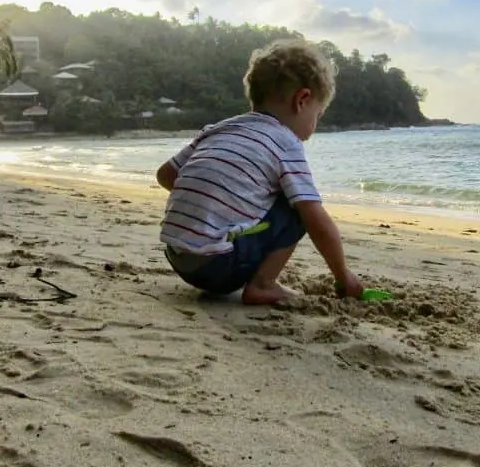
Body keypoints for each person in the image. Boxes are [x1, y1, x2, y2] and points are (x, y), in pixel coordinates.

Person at [155, 39, 364, 305]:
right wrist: (343, 277)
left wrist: (217, 200)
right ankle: (263, 285)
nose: (314, 126)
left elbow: (166, 175)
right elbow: (315, 219)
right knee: (296, 208)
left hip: (177, 256)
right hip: (217, 267)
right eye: (318, 115)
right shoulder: (286, 142)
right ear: (302, 100)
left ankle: (237, 262)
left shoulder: (219, 128)